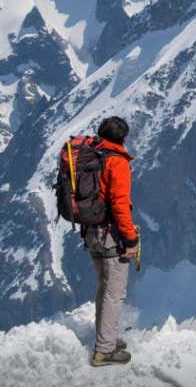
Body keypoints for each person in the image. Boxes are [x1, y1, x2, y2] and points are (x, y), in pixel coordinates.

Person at [84, 116, 139, 367]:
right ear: (123, 138)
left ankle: (106, 337)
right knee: (114, 292)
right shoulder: (117, 162)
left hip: (90, 231)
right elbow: (119, 205)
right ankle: (104, 351)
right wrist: (131, 238)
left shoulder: (92, 156)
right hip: (110, 235)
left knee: (104, 288)